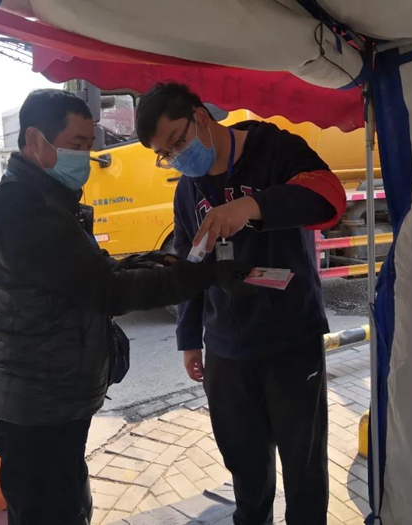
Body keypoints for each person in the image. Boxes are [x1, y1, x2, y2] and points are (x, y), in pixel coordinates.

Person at [0, 89, 251, 525]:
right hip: (36, 407)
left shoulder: (43, 200)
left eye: (89, 145)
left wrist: (152, 262)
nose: (85, 157)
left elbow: (87, 270)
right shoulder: (22, 212)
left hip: (47, 402)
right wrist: (203, 274)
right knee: (53, 514)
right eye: (77, 144)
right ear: (35, 140)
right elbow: (107, 291)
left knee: (68, 506)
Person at [136, 83, 347, 525]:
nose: (177, 156)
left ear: (201, 116)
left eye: (177, 141)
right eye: (166, 154)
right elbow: (189, 264)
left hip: (291, 339)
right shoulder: (188, 189)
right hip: (227, 349)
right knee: (245, 468)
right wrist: (189, 338)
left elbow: (330, 197)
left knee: (304, 467)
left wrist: (251, 206)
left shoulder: (274, 149)